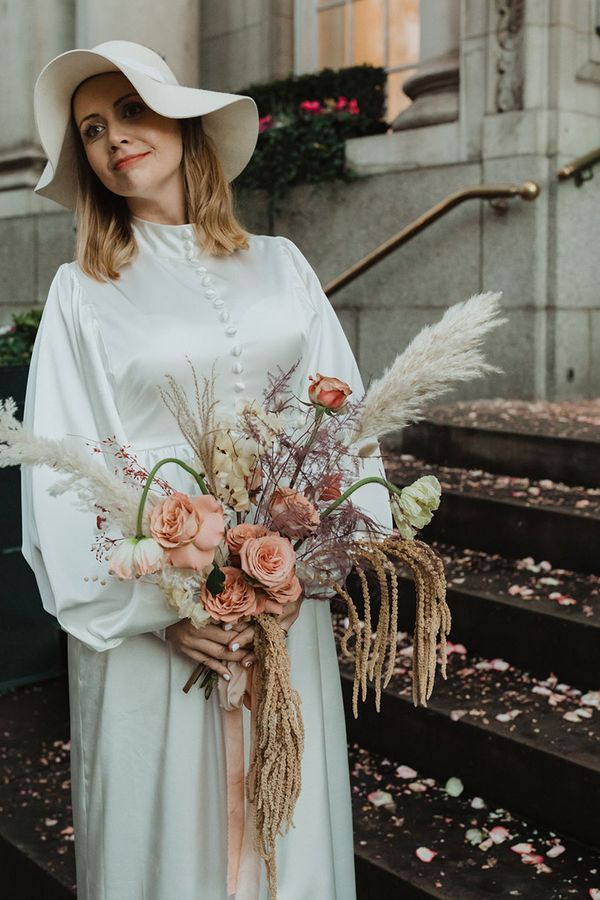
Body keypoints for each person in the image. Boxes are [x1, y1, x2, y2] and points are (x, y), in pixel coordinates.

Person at [21, 40, 392, 900]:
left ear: (184, 123)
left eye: (133, 110)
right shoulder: (84, 290)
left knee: (286, 831)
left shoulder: (283, 264)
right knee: (170, 844)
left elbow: (343, 425)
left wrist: (310, 559)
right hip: (156, 621)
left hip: (283, 606)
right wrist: (164, 609)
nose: (115, 138)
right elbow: (68, 468)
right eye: (93, 129)